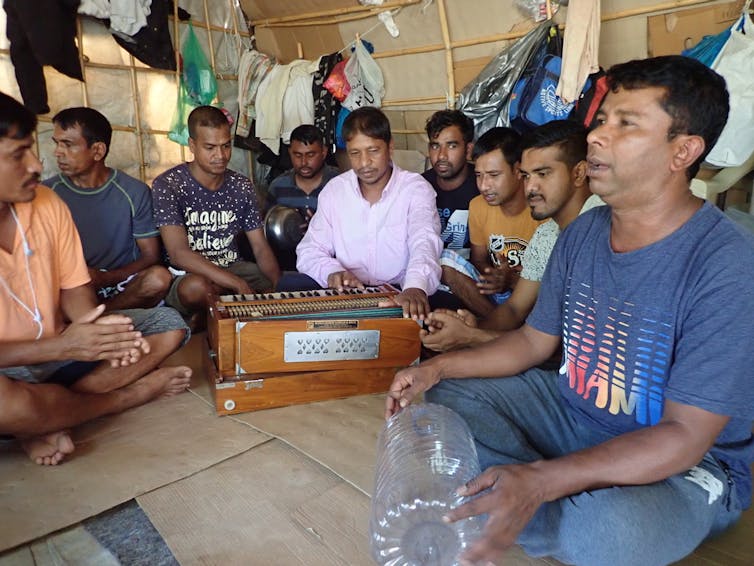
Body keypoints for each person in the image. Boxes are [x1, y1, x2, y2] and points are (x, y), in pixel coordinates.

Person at [385, 56, 754, 565]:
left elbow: (685, 437)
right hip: (572, 412)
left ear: (683, 150)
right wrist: (434, 366)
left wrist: (540, 477)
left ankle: (519, 498)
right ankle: (535, 494)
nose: (598, 136)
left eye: (626, 123)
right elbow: (533, 343)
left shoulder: (727, 263)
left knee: (610, 532)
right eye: (602, 119)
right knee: (447, 394)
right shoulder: (582, 233)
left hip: (683, 464)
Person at [0, 92, 192, 466]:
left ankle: (40, 417)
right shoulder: (56, 191)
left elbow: (76, 292)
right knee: (6, 400)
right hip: (18, 361)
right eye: (17, 154)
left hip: (58, 346)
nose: (38, 164)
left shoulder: (47, 204)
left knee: (168, 325)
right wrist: (63, 348)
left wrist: (103, 338)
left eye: (33, 149)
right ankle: (124, 398)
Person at [422, 120, 602, 353]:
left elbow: (551, 347)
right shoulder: (547, 234)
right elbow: (515, 310)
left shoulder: (602, 225)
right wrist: (472, 328)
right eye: (527, 176)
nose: (531, 187)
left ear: (579, 172)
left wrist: (473, 336)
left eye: (543, 174)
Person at [295, 106, 443, 320]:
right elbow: (310, 250)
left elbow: (424, 242)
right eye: (355, 153)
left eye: (373, 151)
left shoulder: (415, 189)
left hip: (400, 295)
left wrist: (415, 288)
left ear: (390, 147)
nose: (364, 163)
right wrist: (332, 272)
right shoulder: (335, 191)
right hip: (347, 297)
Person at [152, 105, 282, 317]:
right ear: (192, 145)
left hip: (233, 268)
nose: (220, 155)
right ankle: (218, 310)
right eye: (210, 147)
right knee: (197, 288)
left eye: (226, 146)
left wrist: (278, 291)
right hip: (189, 274)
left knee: (272, 280)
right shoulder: (169, 184)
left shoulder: (241, 186)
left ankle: (212, 313)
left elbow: (259, 246)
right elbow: (178, 254)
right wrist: (236, 283)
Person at [42, 107, 171, 311]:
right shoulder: (46, 194)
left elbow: (151, 256)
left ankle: (99, 316)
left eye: (67, 144)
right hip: (73, 286)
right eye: (57, 143)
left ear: (97, 151)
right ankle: (94, 316)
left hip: (122, 283)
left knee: (159, 279)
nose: (57, 152)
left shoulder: (134, 192)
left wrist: (105, 278)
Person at [440, 127, 546, 317]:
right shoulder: (478, 206)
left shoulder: (543, 210)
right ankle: (497, 322)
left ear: (518, 170)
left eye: (494, 175)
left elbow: (556, 279)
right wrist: (495, 277)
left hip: (534, 297)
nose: (484, 186)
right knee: (444, 260)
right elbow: (479, 259)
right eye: (479, 175)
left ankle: (500, 328)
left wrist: (513, 280)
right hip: (498, 292)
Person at [266, 123, 339, 269]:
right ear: (290, 153)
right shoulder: (278, 186)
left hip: (330, 266)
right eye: (297, 155)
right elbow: (267, 232)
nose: (304, 162)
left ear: (324, 152)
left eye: (311, 155)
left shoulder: (339, 184)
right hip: (287, 265)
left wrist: (320, 228)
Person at [422, 110, 478, 258]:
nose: (441, 155)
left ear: (468, 150)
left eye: (451, 146)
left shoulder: (483, 186)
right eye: (435, 146)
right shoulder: (420, 187)